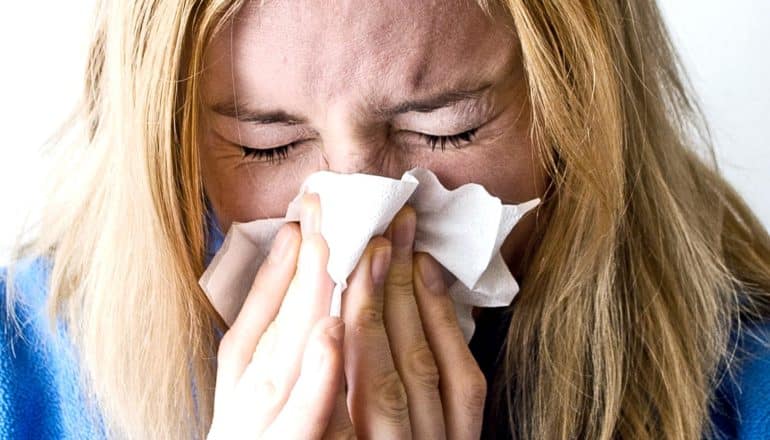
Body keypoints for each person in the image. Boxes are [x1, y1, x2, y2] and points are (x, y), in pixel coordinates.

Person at [2, 0, 769, 438]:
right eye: (264, 144)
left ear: (583, 107)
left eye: (448, 130)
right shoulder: (22, 374)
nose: (364, 228)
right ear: (167, 142)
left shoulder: (749, 379)